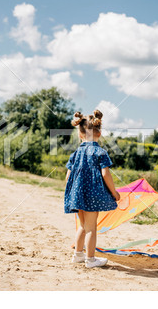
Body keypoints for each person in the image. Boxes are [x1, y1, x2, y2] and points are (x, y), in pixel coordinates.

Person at [64, 109, 121, 268]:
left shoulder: (76, 153)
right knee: (91, 228)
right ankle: (90, 259)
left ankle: (78, 255)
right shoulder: (100, 152)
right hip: (92, 196)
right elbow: (105, 175)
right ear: (99, 133)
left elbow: (68, 177)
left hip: (77, 195)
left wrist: (73, 193)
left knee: (82, 226)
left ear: (80, 134)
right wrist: (114, 192)